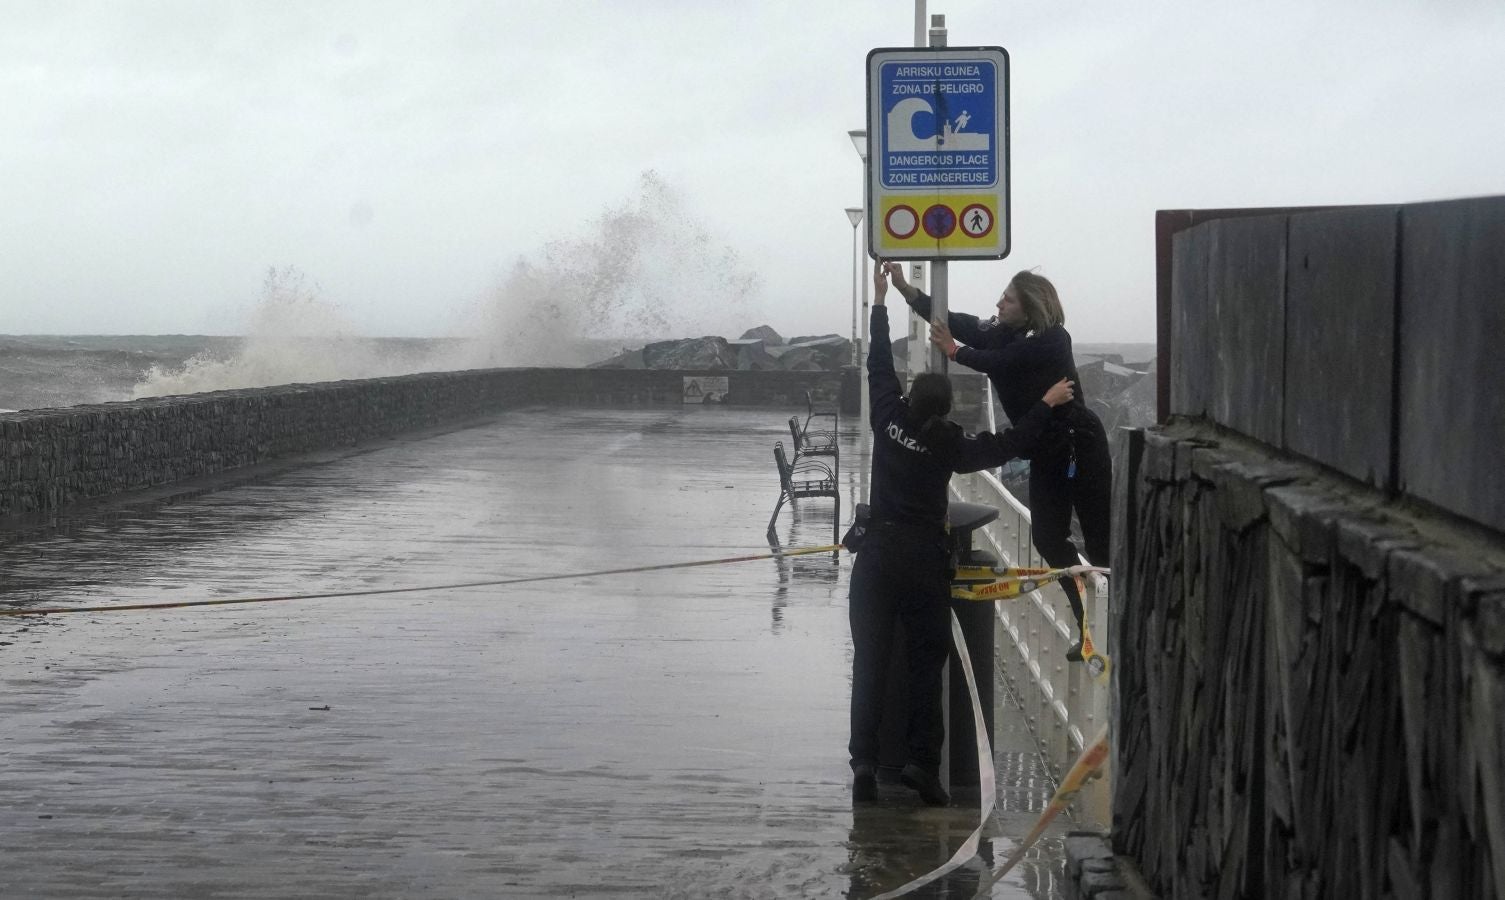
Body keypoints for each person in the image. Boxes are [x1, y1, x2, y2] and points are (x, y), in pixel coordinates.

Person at [850, 259, 1074, 806]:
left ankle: (864, 766)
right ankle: (924, 768)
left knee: (870, 663)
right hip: (925, 561)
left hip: (876, 555)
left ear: (908, 397)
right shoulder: (948, 443)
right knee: (927, 665)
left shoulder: (887, 416)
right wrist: (1045, 406)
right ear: (947, 410)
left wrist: (880, 301)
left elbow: (878, 362)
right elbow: (1006, 445)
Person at [885, 264, 1111, 661]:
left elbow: (1003, 361)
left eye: (1007, 300)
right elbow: (961, 323)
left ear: (1030, 307)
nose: (998, 304)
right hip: (1045, 450)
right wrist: (909, 292)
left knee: (1099, 540)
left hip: (1081, 445)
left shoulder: (1053, 340)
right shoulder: (1003, 330)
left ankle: (1117, 628)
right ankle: (1087, 626)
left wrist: (955, 352)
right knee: (1048, 539)